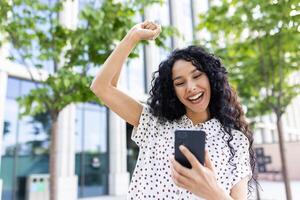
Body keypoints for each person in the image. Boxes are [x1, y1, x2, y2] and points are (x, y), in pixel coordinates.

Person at [90, 21, 255, 199]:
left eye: (197, 75)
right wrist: (132, 37)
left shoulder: (236, 141)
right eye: (180, 82)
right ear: (172, 90)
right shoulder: (153, 123)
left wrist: (213, 192)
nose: (191, 87)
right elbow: (101, 86)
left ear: (211, 78)